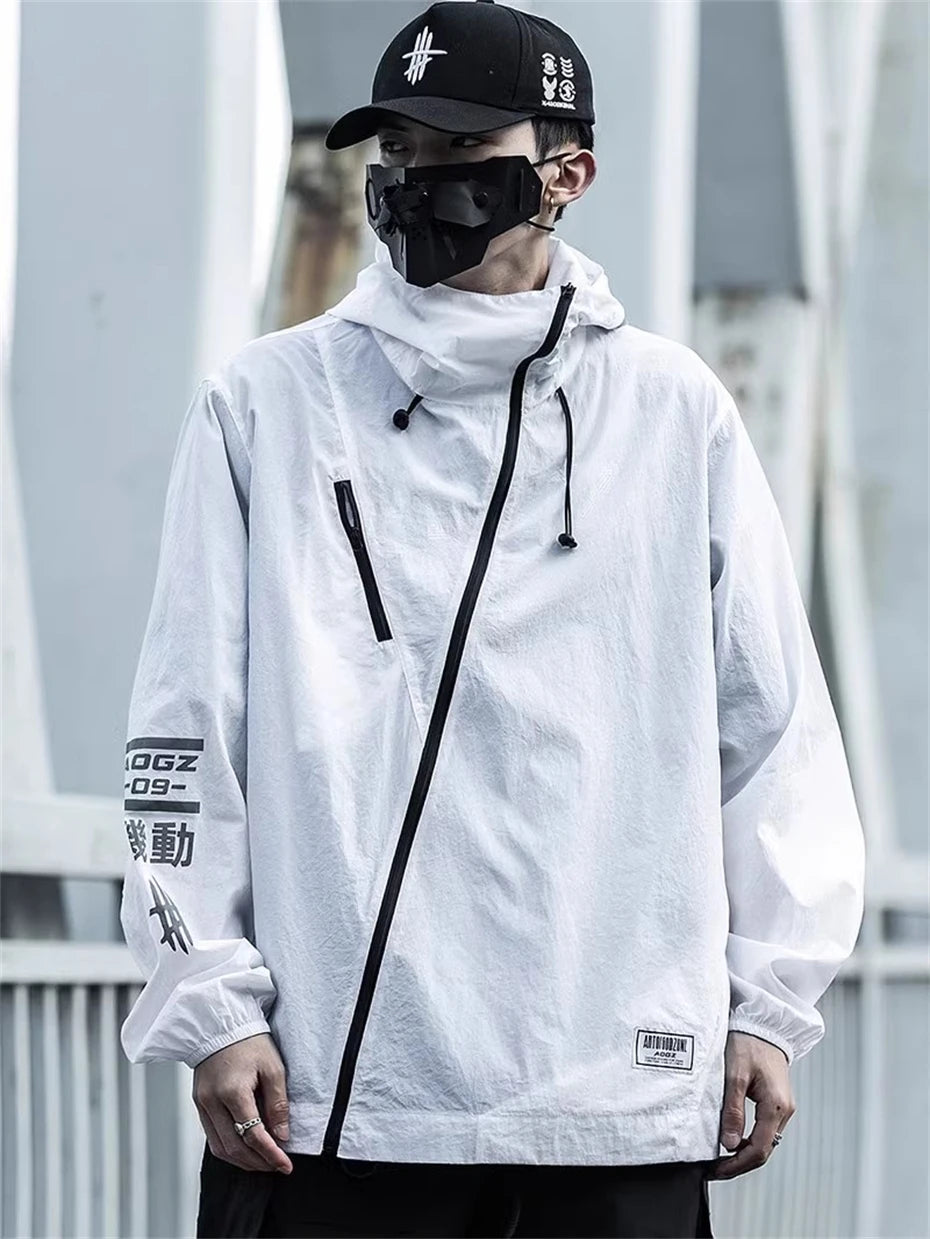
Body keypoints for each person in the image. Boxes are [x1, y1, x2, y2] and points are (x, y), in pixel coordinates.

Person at [118, 2, 867, 1236]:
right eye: (398, 152)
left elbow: (774, 730)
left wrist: (769, 1008)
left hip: (615, 1100)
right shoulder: (268, 401)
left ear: (566, 174)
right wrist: (210, 1000)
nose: (418, 182)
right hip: (334, 1103)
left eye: (460, 153)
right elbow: (185, 724)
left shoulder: (674, 410)